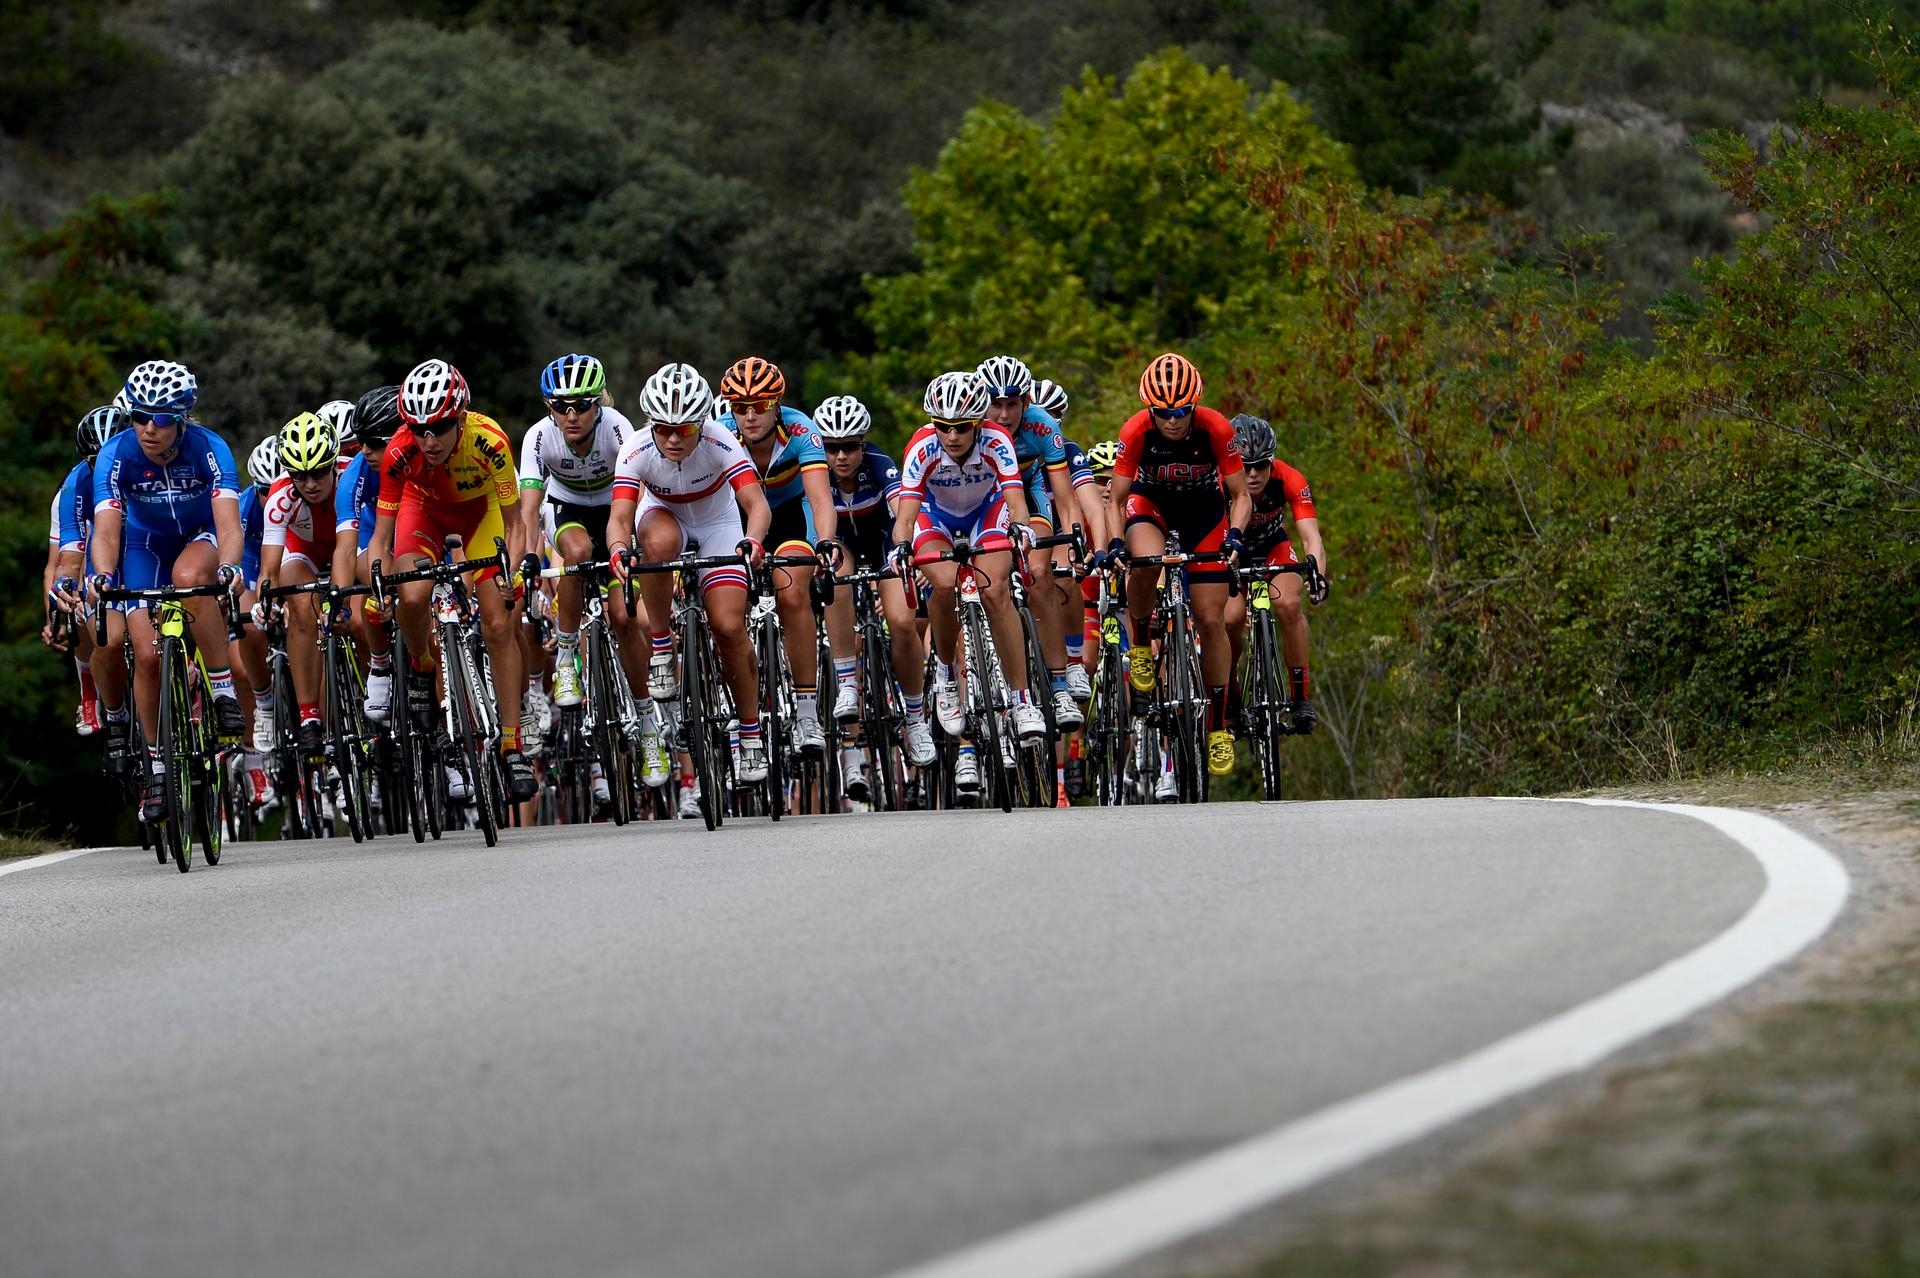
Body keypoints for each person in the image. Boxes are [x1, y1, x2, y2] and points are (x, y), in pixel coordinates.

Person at [368, 358, 538, 804]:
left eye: (440, 427)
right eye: (419, 428)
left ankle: (510, 743)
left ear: (460, 417)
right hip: (421, 512)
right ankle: (422, 664)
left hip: (480, 515)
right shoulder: (399, 451)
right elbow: (382, 540)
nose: (429, 440)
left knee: (499, 623)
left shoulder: (491, 441)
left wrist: (513, 571)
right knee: (413, 591)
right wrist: (378, 588)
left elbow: (515, 524)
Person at [87, 359, 247, 820]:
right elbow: (106, 532)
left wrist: (233, 567)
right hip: (144, 545)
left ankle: (221, 691)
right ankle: (159, 769)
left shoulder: (209, 448)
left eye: (158, 419)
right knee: (150, 656)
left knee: (191, 578)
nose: (147, 428)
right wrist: (101, 574)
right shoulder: (117, 454)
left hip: (200, 535)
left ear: (180, 421)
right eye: (138, 416)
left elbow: (229, 527)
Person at [607, 362, 773, 792]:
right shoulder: (637, 450)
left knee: (728, 626)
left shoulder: (721, 442)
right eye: (664, 429)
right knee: (656, 544)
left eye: (684, 429)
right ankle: (662, 643)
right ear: (651, 425)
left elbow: (756, 506)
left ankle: (751, 734)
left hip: (718, 523)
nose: (674, 439)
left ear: (701, 422)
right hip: (665, 519)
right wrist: (617, 549)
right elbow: (620, 517)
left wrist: (753, 541)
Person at [514, 354, 671, 786]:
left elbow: (639, 494)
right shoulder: (539, 437)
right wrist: (529, 557)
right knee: (577, 552)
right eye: (560, 406)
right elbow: (529, 509)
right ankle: (567, 655)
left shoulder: (618, 428)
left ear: (597, 404)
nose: (571, 415)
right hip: (567, 510)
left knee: (623, 618)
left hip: (615, 509)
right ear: (549, 408)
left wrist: (633, 546)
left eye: (581, 405)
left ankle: (648, 726)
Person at [891, 370, 1045, 793]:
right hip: (936, 517)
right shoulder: (922, 447)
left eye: (961, 427)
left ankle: (1021, 701)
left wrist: (1021, 528)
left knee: (996, 590)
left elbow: (1015, 499)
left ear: (977, 423)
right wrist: (901, 546)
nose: (952, 436)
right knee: (942, 584)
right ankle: (943, 673)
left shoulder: (997, 440)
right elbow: (905, 516)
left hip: (986, 514)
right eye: (944, 427)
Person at [1107, 352, 1252, 780]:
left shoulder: (1215, 428)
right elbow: (1115, 499)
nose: (1172, 420)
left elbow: (1240, 495)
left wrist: (1236, 536)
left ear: (1194, 406)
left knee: (1212, 620)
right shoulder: (1135, 431)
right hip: (1152, 505)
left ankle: (1219, 725)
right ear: (1151, 410)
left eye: (1181, 411)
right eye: (1163, 413)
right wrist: (1115, 541)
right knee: (1145, 564)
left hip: (1203, 513)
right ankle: (1139, 640)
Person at [813, 394, 938, 789]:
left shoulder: (880, 466)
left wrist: (915, 556)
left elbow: (905, 511)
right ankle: (847, 684)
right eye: (832, 448)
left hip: (883, 541)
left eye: (850, 446)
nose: (841, 456)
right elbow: (814, 525)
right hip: (842, 544)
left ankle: (915, 720)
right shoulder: (814, 471)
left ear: (863, 445)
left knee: (902, 620)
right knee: (835, 573)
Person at [718, 356, 839, 756]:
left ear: (777, 404)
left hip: (790, 518)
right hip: (739, 520)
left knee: (791, 592)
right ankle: (731, 701)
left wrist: (825, 541)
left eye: (760, 405)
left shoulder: (803, 428)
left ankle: (807, 712)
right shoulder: (722, 434)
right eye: (740, 407)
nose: (750, 416)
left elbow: (821, 498)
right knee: (725, 608)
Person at [977, 354, 1084, 733]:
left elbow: (1065, 497)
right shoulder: (970, 427)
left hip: (1029, 495)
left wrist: (1073, 539)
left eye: (1012, 404)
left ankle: (1058, 686)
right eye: (996, 404)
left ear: (1026, 402)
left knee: (1039, 571)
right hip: (983, 499)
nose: (1004, 414)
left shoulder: (1043, 426)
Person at [1224, 413, 1328, 733]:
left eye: (1262, 465)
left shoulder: (1289, 479)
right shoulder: (1218, 482)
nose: (1253, 474)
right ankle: (1230, 691)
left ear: (1273, 461)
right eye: (1245, 465)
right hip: (1230, 556)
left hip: (1273, 547)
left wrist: (1318, 574)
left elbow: (1311, 537)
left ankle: (1299, 697)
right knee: (1229, 618)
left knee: (1288, 604)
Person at [253, 412, 344, 758]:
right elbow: (270, 568)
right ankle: (309, 717)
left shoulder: (352, 477)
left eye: (320, 472)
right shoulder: (279, 498)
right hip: (302, 551)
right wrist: (267, 601)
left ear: (334, 463)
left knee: (360, 607)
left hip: (345, 547)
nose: (310, 484)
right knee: (299, 603)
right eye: (299, 476)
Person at [46, 406, 130, 741]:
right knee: (84, 613)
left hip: (145, 552)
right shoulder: (75, 485)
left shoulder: (148, 469)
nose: (107, 465)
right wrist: (60, 597)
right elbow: (66, 557)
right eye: (97, 458)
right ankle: (107, 705)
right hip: (98, 560)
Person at [331, 385, 402, 723]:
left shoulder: (421, 457)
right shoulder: (355, 474)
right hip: (377, 535)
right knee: (377, 579)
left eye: (375, 443)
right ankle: (380, 663)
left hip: (421, 531)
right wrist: (340, 601)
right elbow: (345, 547)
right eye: (361, 442)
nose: (366, 451)